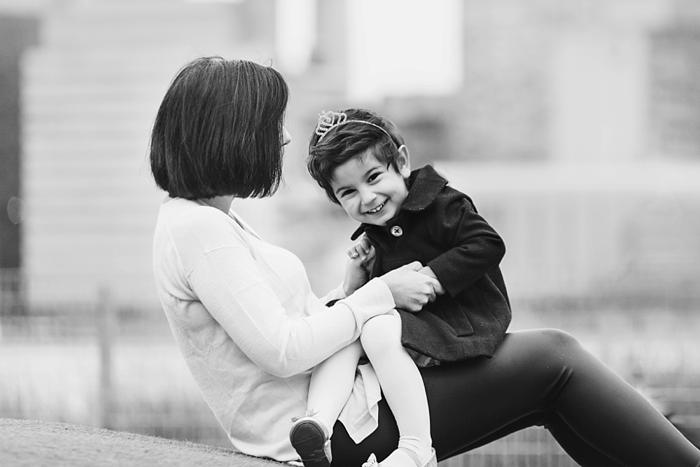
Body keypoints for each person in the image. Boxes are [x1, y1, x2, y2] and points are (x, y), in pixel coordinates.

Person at [150, 56, 700, 467]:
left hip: (342, 405)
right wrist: (382, 292)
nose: (284, 136)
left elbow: (290, 329)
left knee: (549, 387)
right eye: (271, 125)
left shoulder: (208, 223)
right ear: (229, 133)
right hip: (330, 429)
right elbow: (283, 352)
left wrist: (350, 286)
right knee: (555, 359)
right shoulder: (199, 231)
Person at [295, 108, 512, 467]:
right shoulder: (374, 235)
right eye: (348, 192)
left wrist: (431, 278)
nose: (367, 198)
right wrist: (357, 279)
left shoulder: (444, 204)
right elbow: (371, 302)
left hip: (464, 321)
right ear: (336, 200)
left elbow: (488, 244)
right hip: (416, 327)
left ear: (402, 162)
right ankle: (318, 424)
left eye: (374, 177)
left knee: (376, 327)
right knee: (345, 326)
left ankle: (416, 447)